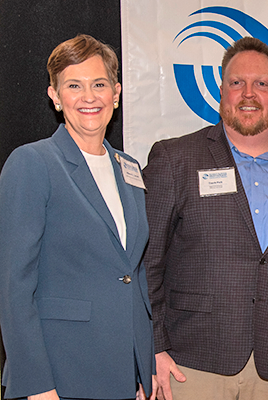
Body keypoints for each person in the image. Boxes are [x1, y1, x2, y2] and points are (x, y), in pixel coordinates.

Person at [142, 37, 268, 400]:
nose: (249, 93)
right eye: (237, 83)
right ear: (221, 92)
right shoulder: (175, 159)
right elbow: (147, 262)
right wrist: (153, 348)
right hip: (190, 366)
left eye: (261, 84)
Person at [0, 34, 155, 400]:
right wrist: (36, 384)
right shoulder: (32, 163)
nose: (89, 97)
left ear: (115, 93)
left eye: (99, 84)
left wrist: (142, 368)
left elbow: (134, 273)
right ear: (55, 96)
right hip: (59, 376)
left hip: (123, 375)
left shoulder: (129, 168)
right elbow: (13, 286)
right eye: (74, 85)